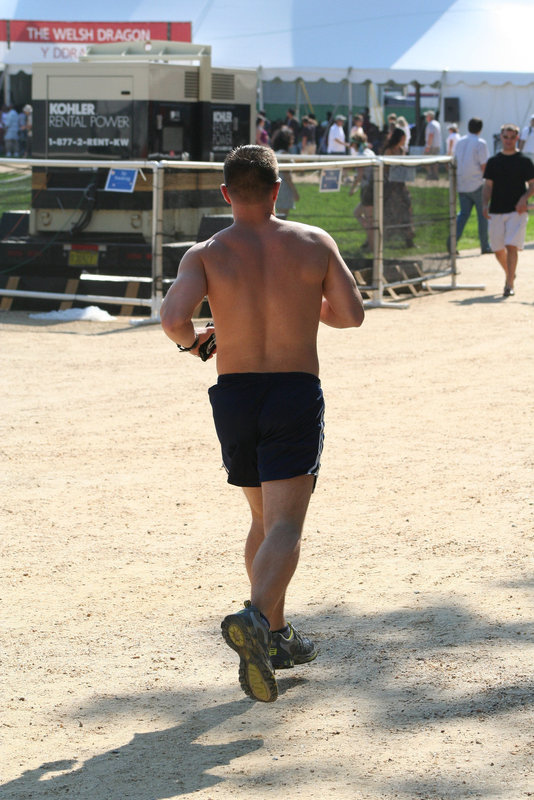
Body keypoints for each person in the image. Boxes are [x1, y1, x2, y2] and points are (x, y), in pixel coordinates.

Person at [160, 145, 364, 703]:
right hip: (293, 391)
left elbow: (174, 320)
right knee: (286, 526)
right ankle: (255, 620)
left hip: (236, 394)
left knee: (261, 519)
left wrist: (196, 344)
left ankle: (275, 636)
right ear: (279, 189)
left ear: (226, 194)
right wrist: (305, 304)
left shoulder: (204, 253)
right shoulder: (313, 243)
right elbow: (350, 314)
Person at [482, 123, 534, 297]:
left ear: (517, 138)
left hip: (516, 211)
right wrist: (484, 204)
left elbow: (532, 186)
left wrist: (523, 199)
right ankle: (510, 273)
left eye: (512, 137)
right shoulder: (493, 162)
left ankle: (509, 283)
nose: (509, 140)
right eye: (506, 137)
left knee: (511, 246)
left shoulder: (524, 161)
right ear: (501, 137)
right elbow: (488, 186)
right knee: (497, 249)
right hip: (496, 210)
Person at [453, 117, 491, 254]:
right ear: (480, 129)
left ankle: (452, 242)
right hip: (477, 183)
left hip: (462, 183)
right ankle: (485, 245)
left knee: (463, 215)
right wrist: (489, 183)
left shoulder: (460, 141)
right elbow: (484, 165)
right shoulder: (480, 143)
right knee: (483, 214)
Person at [383, 126, 415, 247]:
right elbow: (385, 168)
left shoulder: (401, 150)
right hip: (391, 186)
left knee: (407, 210)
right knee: (392, 212)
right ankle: (387, 239)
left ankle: (409, 239)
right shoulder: (389, 151)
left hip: (401, 185)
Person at [349, 133, 375, 250]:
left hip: (368, 190)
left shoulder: (361, 155)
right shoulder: (369, 152)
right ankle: (370, 238)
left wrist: (353, 188)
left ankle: (372, 245)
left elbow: (360, 174)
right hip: (373, 188)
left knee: (370, 221)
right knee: (357, 213)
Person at [271, 127, 300, 218]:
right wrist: (295, 192)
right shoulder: (284, 155)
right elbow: (287, 176)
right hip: (283, 189)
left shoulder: (276, 153)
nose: (293, 139)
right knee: (282, 218)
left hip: (275, 188)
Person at [424, 110, 442, 180]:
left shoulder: (431, 124)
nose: (426, 117)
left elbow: (431, 135)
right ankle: (435, 175)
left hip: (432, 146)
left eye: (427, 116)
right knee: (434, 161)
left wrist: (428, 146)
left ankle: (431, 173)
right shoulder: (437, 123)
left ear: (429, 117)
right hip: (437, 145)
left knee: (425, 160)